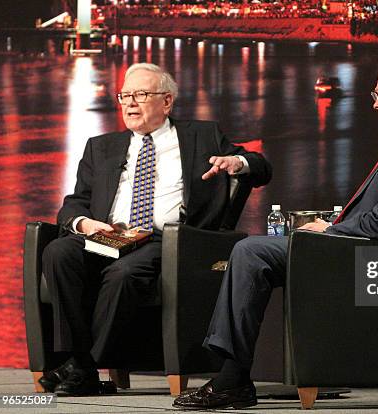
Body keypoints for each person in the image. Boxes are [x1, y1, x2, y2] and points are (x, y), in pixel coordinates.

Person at [172, 60, 378, 410]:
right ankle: (232, 375)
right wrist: (332, 224)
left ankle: (232, 379)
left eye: (377, 95)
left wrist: (331, 229)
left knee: (251, 251)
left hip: (368, 259)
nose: (373, 103)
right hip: (359, 249)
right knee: (256, 250)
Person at [39, 63, 272, 396]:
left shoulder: (202, 136)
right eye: (125, 96)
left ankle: (81, 366)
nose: (131, 103)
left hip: (165, 240)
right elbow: (74, 203)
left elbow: (262, 168)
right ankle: (80, 363)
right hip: (107, 234)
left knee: (124, 274)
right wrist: (85, 223)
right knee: (58, 251)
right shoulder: (100, 147)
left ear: (167, 101)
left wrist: (239, 163)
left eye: (141, 94)